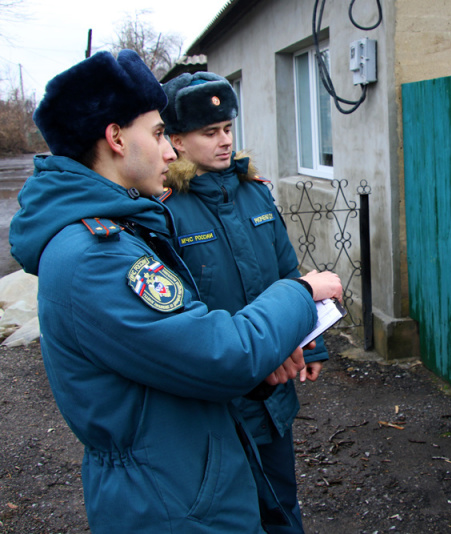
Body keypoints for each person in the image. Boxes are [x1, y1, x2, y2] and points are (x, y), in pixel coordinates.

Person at [9, 50, 342, 533]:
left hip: (190, 465)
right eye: (160, 133)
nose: (170, 151)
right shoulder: (96, 256)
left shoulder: (122, 231)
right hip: (170, 498)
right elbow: (217, 352)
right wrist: (300, 292)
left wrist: (298, 336)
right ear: (116, 138)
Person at [159, 71, 329, 533]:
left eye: (228, 129)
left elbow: (287, 277)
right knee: (232, 510)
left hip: (276, 387)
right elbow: (178, 314)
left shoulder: (255, 192)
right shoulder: (165, 209)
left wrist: (310, 346)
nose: (224, 142)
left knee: (282, 501)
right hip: (219, 400)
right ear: (176, 140)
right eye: (209, 132)